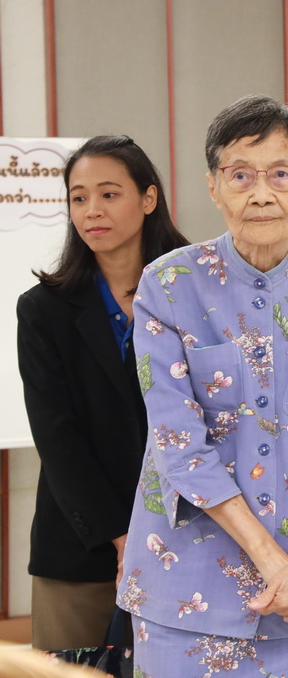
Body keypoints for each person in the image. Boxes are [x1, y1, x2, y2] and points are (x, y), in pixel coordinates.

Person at [117, 96, 288, 673]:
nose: (262, 194)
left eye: (281, 174)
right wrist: (277, 567)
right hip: (188, 591)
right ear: (214, 187)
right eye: (241, 175)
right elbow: (177, 442)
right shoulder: (168, 286)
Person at [17, 136, 188, 652]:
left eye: (109, 194)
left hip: (188, 537)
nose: (92, 210)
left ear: (148, 198)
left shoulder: (195, 293)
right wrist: (121, 537)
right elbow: (57, 437)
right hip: (81, 544)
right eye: (79, 197)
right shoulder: (43, 309)